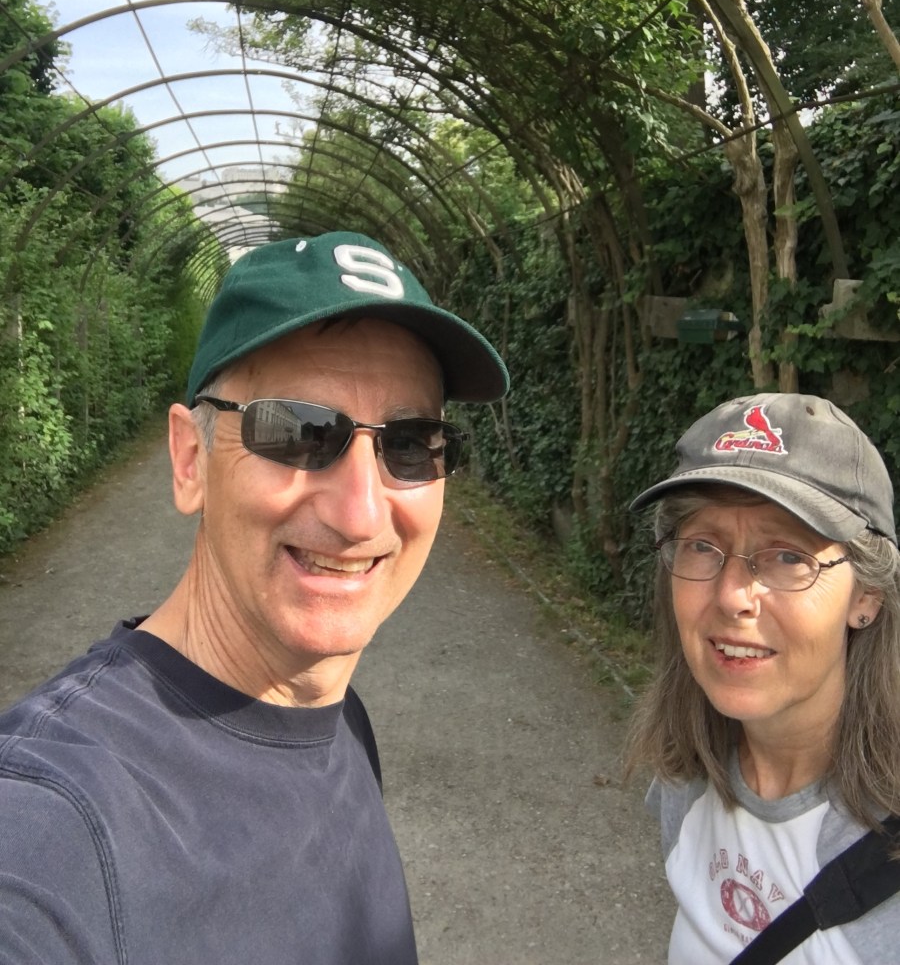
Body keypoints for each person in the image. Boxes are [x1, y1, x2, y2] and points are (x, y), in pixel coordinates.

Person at [0, 231, 508, 965]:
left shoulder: (340, 722)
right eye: (300, 432)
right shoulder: (56, 822)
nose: (361, 514)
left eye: (409, 443)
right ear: (190, 460)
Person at [625, 392, 900, 964]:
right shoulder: (687, 776)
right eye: (703, 546)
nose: (732, 596)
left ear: (867, 595)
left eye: (789, 556)